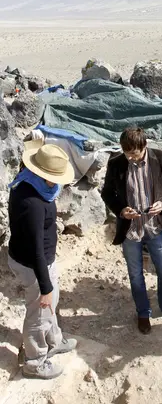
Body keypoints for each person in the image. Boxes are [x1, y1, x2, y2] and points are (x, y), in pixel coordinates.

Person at [101, 127, 162, 335]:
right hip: (131, 231)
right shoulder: (116, 164)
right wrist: (121, 210)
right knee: (136, 276)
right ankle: (143, 313)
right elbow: (107, 193)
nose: (130, 158)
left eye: (134, 153)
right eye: (127, 153)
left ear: (144, 146)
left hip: (156, 227)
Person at [8, 142, 77, 379]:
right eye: (54, 177)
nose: (58, 183)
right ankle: (35, 361)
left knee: (51, 303)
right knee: (39, 312)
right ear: (42, 173)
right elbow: (35, 248)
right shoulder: (33, 203)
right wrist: (45, 286)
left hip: (39, 259)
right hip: (33, 264)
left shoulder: (27, 180)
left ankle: (53, 340)